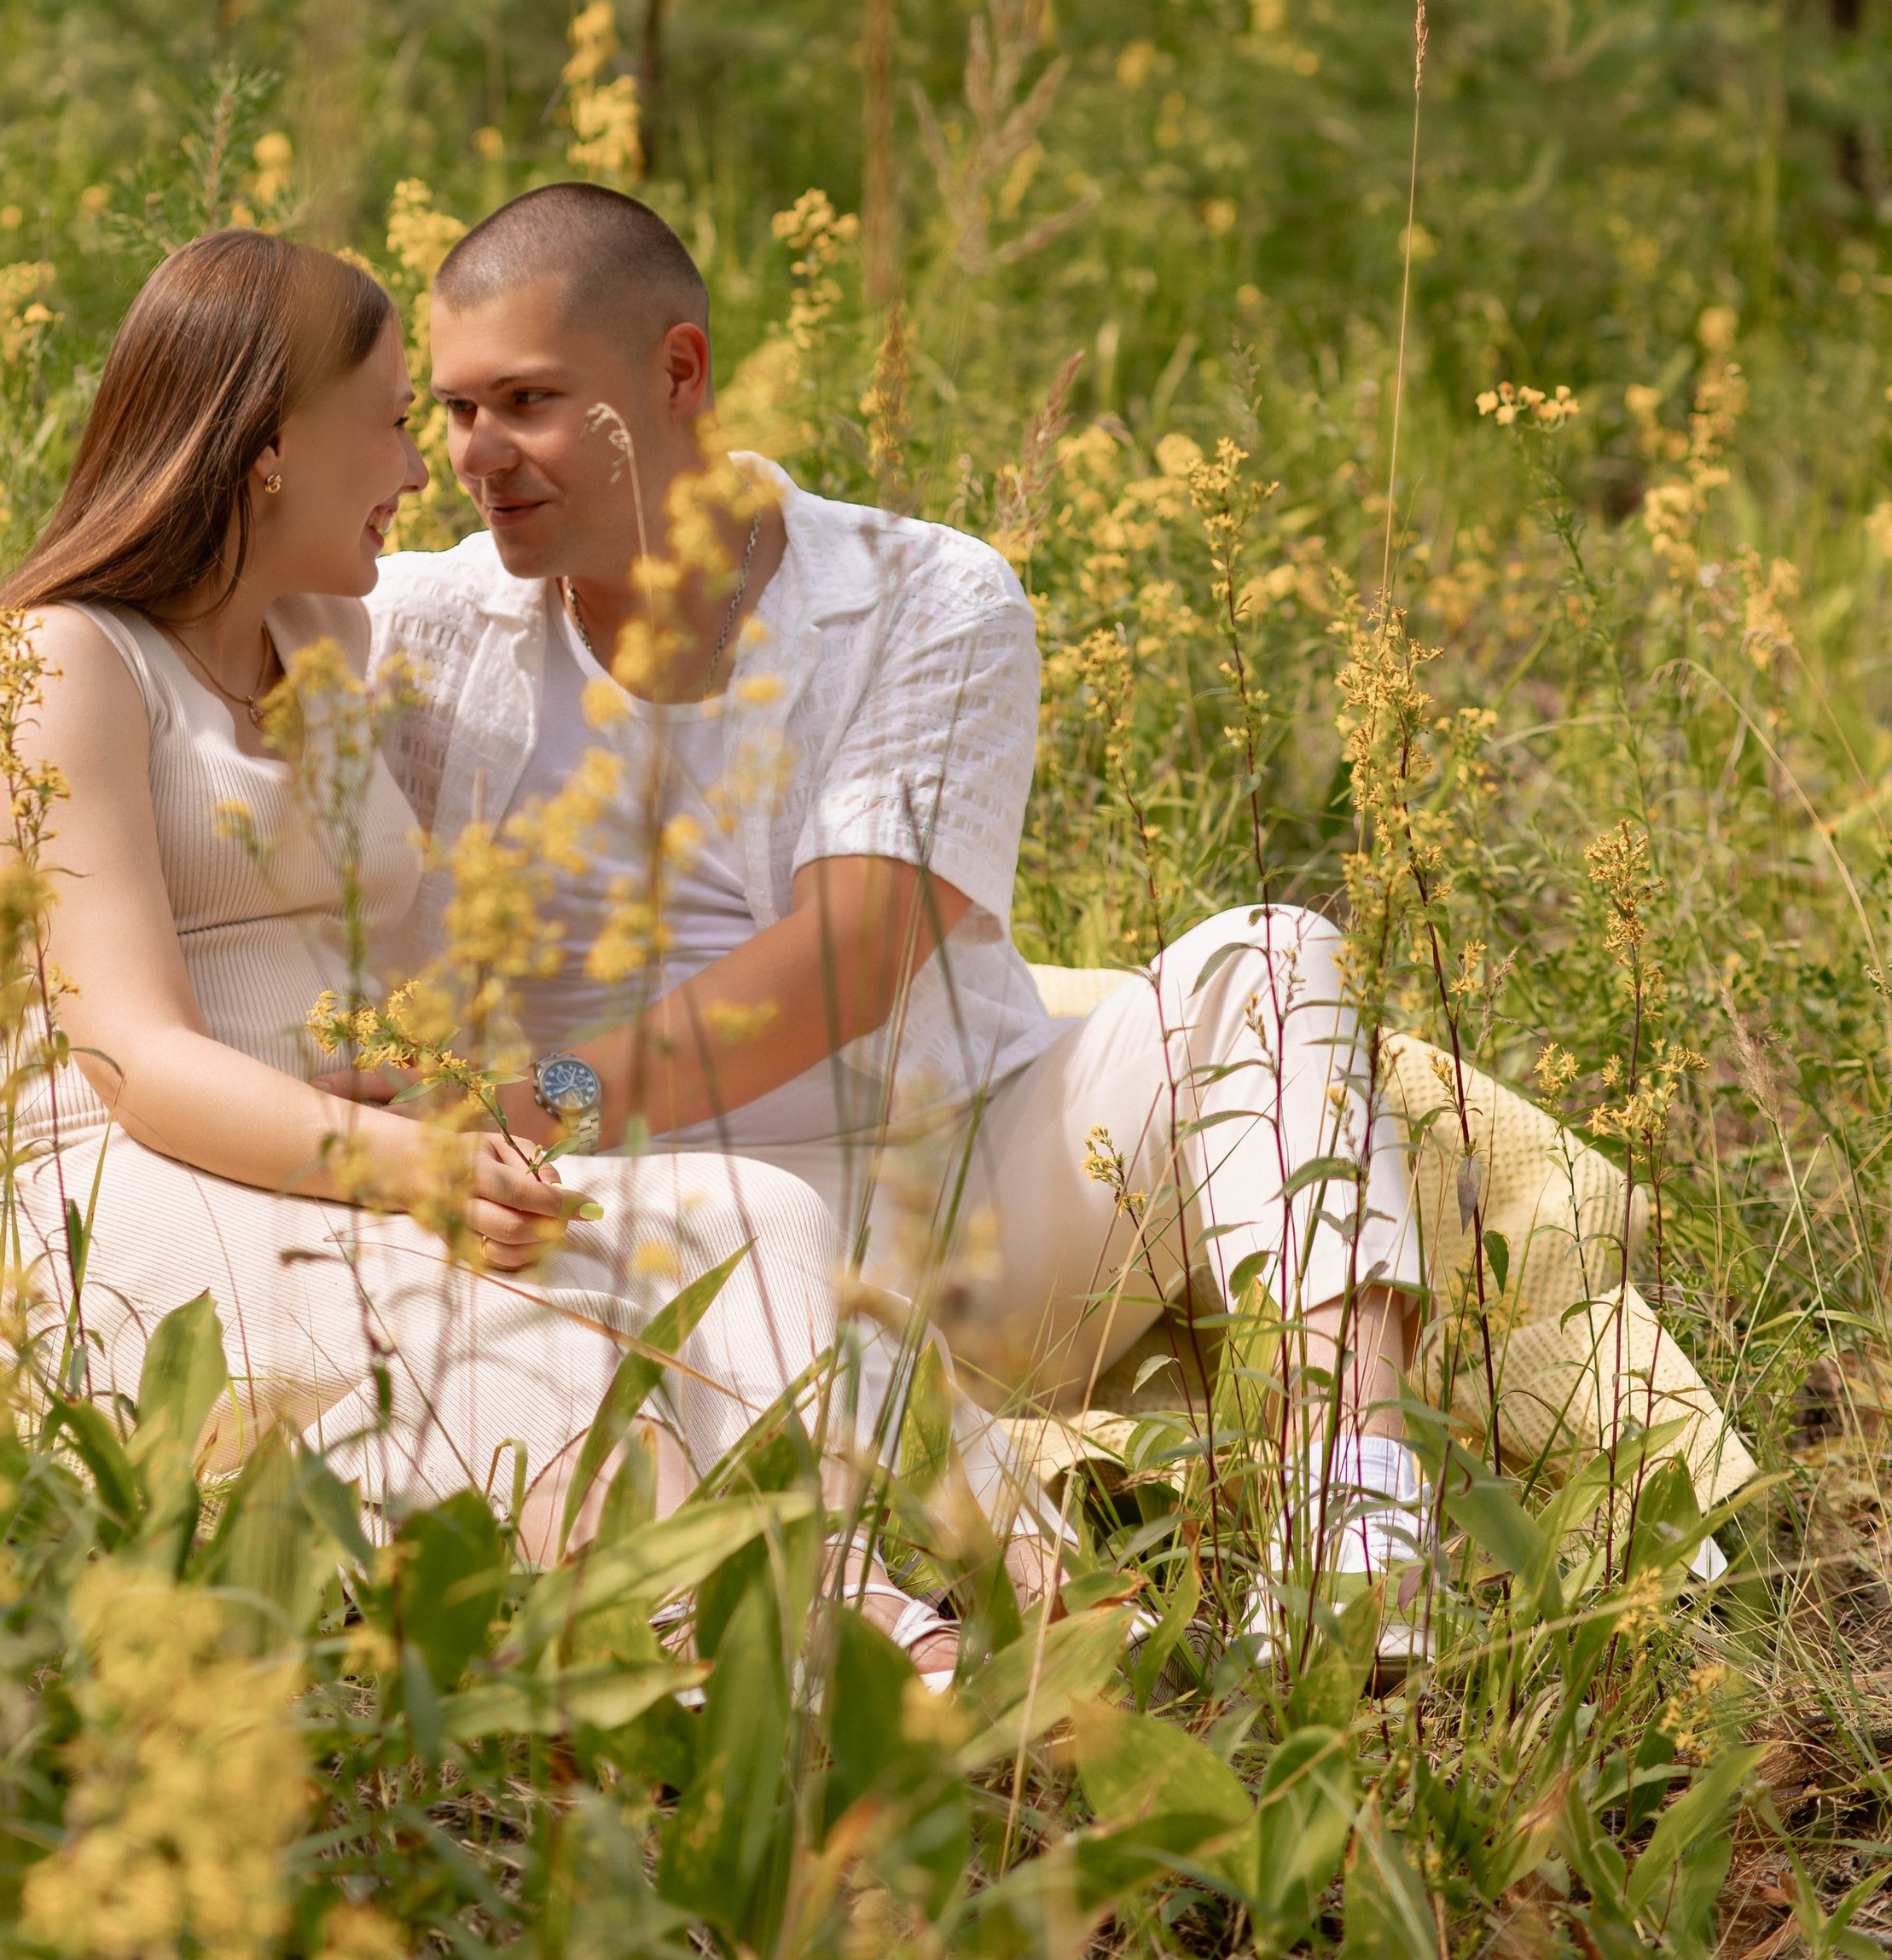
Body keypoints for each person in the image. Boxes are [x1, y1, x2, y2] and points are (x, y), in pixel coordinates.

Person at [0, 231, 1036, 1671]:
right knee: (522, 1326)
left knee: (757, 1217)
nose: (431, 474)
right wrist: (411, 1164)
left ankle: (945, 1580)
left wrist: (457, 1119)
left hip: (300, 1143)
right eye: (402, 423)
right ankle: (780, 1637)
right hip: (82, 1169)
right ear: (272, 447)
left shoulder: (332, 637)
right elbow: (137, 1059)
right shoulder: (59, 666)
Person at [366, 183, 1431, 1620]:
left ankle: (1355, 1512)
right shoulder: (416, 629)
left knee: (1273, 955)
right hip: (653, 1242)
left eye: (529, 402)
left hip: (971, 1206)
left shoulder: (928, 596)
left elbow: (847, 966)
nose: (477, 456)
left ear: (677, 373)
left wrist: (525, 1106)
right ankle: (918, 1589)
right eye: (454, 410)